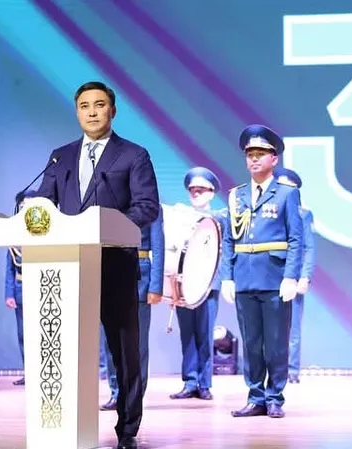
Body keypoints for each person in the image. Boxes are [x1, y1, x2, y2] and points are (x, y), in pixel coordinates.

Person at [34, 81, 160, 449]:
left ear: (112, 111)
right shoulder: (60, 157)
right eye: (84, 106)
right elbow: (44, 204)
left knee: (123, 351)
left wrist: (106, 225)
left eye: (99, 104)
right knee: (66, 351)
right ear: (77, 112)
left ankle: (127, 429)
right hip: (67, 268)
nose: (92, 111)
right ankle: (64, 425)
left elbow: (147, 207)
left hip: (115, 265)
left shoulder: (133, 155)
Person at [220, 125, 303, 419]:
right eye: (250, 154)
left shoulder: (286, 194)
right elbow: (228, 240)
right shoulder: (236, 196)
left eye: (261, 154)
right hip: (244, 277)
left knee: (276, 343)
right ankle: (255, 396)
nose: (254, 159)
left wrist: (291, 276)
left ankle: (275, 397)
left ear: (274, 159)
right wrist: (227, 277)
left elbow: (296, 238)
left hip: (274, 277)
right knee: (252, 343)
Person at [168, 167, 226, 401]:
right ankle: (190, 381)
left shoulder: (219, 218)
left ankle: (205, 383)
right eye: (193, 190)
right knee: (187, 334)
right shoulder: (181, 218)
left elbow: (224, 250)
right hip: (184, 285)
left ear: (211, 192)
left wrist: (222, 280)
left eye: (201, 190)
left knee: (205, 333)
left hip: (208, 285)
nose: (196, 194)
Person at [100, 209, 165, 410]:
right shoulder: (107, 203)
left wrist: (155, 286)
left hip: (140, 276)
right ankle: (116, 392)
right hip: (109, 273)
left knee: (137, 343)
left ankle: (134, 395)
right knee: (110, 341)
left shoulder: (149, 205)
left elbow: (158, 246)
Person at [274, 167, 315, 384]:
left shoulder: (303, 214)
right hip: (270, 275)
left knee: (292, 327)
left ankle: (291, 370)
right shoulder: (268, 211)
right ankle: (272, 368)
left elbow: (308, 247)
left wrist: (305, 276)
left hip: (294, 276)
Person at [5, 190, 39, 387]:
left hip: (42, 288)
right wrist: (9, 294)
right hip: (21, 288)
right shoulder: (15, 234)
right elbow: (10, 267)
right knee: (24, 335)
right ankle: (29, 373)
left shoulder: (45, 230)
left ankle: (43, 372)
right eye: (23, 206)